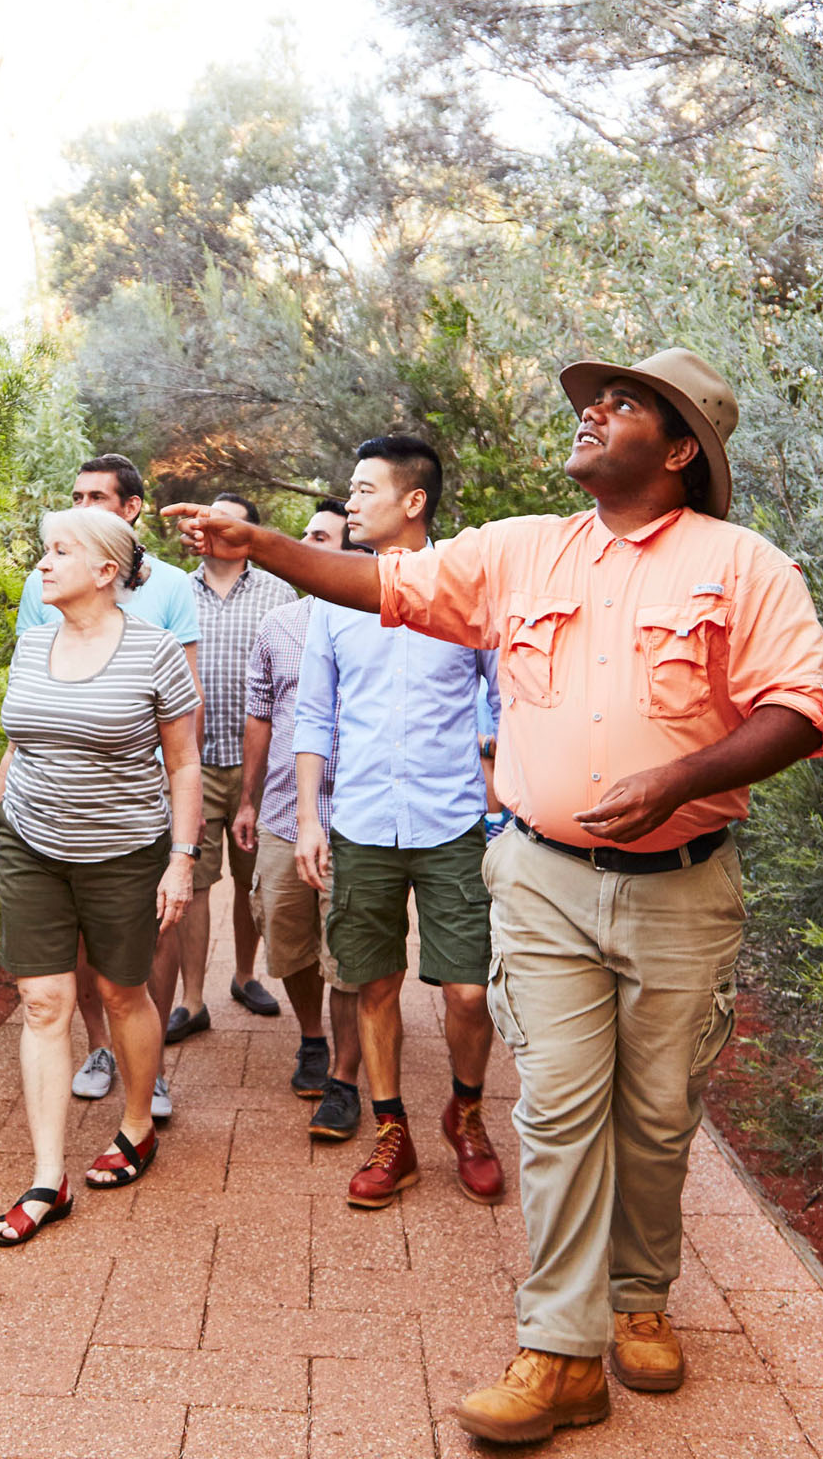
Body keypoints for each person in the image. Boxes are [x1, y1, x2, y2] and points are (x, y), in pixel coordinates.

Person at [166, 348, 823, 1444]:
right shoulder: (520, 551)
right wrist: (267, 548)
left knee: (655, 1115)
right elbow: (383, 586)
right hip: (540, 878)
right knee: (560, 1112)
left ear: (676, 452)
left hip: (680, 887)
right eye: (592, 402)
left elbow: (802, 711)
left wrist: (678, 775)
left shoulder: (742, 564)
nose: (591, 415)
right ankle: (558, 1351)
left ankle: (639, 1297)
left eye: (621, 408)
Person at [0, 506, 203, 1245]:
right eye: (45, 551)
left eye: (60, 551)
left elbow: (185, 764)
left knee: (121, 991)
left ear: (106, 571)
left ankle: (137, 1125)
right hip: (32, 843)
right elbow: (17, 753)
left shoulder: (156, 650)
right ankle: (48, 1179)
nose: (43, 564)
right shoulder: (31, 645)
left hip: (124, 851)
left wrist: (181, 859)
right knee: (43, 1004)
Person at [286, 437, 503, 1207]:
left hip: (451, 826)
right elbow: (313, 715)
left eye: (364, 489)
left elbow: (503, 696)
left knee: (469, 994)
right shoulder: (334, 602)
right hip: (363, 823)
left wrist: (500, 787)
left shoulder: (468, 588)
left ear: (414, 500)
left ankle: (467, 1115)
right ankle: (393, 1134)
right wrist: (310, 818)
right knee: (373, 985)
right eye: (349, 489)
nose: (350, 502)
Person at [16, 454, 201, 1116]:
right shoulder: (44, 592)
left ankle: (146, 1069)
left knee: (144, 947)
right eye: (75, 494)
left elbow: (184, 726)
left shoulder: (172, 590)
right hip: (49, 815)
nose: (84, 504)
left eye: (97, 496)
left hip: (135, 806)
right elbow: (26, 714)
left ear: (130, 509)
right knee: (76, 953)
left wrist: (181, 841)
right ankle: (99, 1046)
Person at [232, 501, 360, 1118]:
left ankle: (344, 1075)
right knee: (291, 941)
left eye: (319, 538)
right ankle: (313, 1040)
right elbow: (260, 713)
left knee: (351, 955)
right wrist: (248, 798)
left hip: (358, 820)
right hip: (285, 811)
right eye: (305, 535)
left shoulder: (382, 621)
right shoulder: (278, 625)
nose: (303, 546)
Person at [161, 492, 295, 1045]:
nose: (213, 528)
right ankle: (192, 1001)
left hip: (255, 768)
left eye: (228, 521)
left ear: (250, 534)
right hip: (190, 763)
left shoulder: (278, 592)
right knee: (191, 883)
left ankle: (244, 976)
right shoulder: (172, 591)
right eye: (206, 519)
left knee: (249, 882)